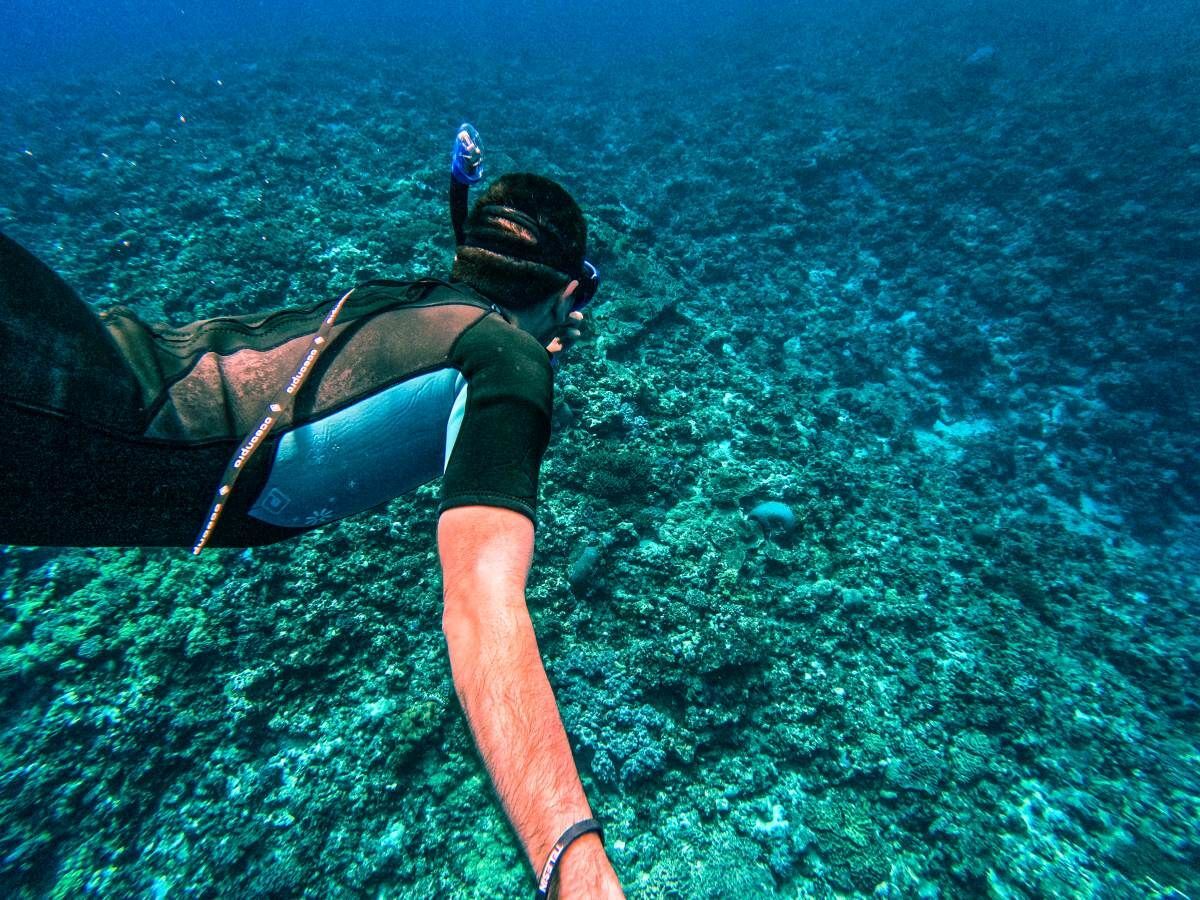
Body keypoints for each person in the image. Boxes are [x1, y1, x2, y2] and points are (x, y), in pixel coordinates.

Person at [0, 125, 624, 899]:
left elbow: (478, 252)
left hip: (85, 357)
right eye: (580, 297)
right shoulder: (507, 359)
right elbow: (482, 605)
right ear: (568, 293)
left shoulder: (427, 300)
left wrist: (462, 187)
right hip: (57, 418)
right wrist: (576, 864)